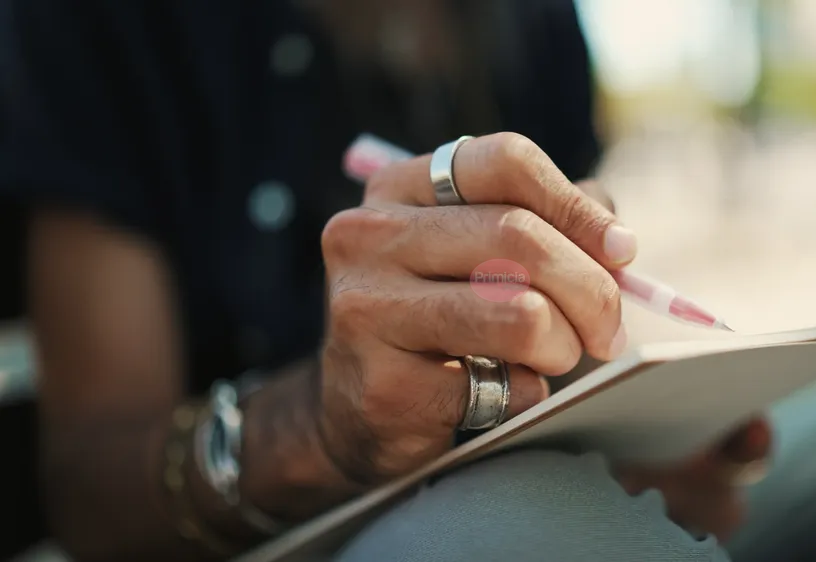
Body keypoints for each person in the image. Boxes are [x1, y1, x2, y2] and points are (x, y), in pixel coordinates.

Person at [0, 1, 772, 560]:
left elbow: (560, 340)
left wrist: (645, 434)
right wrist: (316, 431)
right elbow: (87, 495)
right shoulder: (110, 25)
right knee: (524, 530)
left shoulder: (536, 26)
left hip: (549, 485)